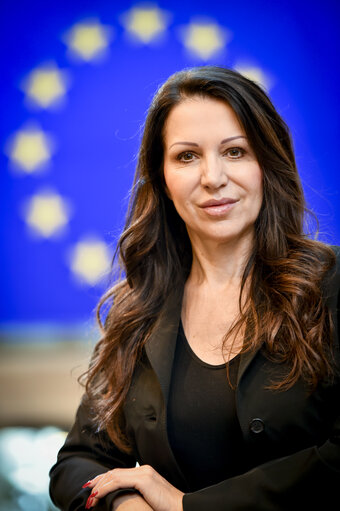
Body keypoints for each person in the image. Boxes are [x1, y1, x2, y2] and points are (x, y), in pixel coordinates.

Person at [49, 66, 340, 511]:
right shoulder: (139, 307)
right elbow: (77, 462)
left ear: (267, 163)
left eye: (235, 152)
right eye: (186, 156)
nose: (212, 177)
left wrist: (185, 507)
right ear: (162, 179)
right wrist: (127, 505)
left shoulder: (331, 284)